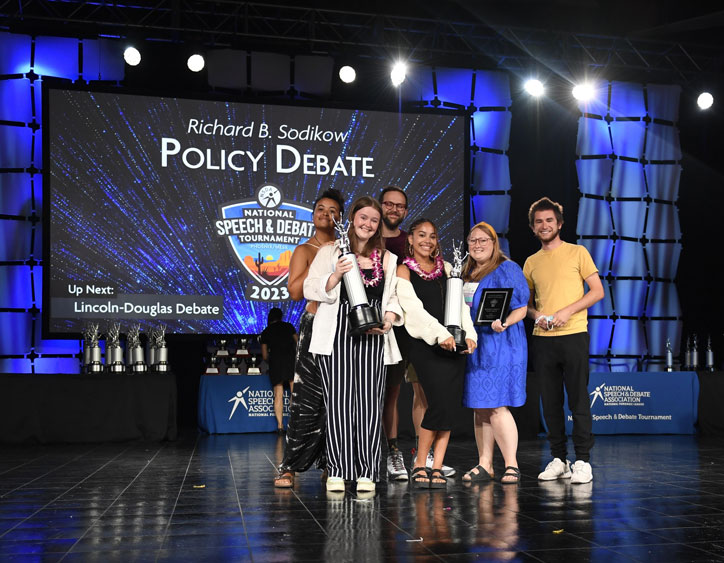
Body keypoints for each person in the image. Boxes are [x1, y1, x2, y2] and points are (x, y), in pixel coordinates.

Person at [304, 195, 402, 495]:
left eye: (374, 220)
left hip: (373, 337)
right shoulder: (330, 251)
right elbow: (310, 287)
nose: (368, 224)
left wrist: (388, 318)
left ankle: (367, 472)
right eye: (363, 218)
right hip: (337, 338)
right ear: (352, 219)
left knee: (370, 407)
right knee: (339, 406)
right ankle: (338, 469)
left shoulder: (387, 258)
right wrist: (335, 275)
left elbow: (393, 296)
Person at [523, 197, 604, 484]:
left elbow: (597, 291)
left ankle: (583, 460)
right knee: (551, 403)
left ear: (559, 224)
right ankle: (560, 458)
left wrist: (567, 310)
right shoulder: (531, 262)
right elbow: (526, 306)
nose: (544, 226)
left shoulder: (578, 252)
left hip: (573, 336)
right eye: (539, 222)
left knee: (579, 400)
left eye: (549, 220)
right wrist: (538, 316)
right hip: (543, 339)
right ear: (533, 228)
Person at [396, 218, 476, 488]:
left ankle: (438, 465)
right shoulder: (403, 270)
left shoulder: (449, 268)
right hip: (425, 345)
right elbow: (413, 310)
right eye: (421, 235)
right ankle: (420, 463)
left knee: (449, 407)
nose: (427, 241)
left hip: (453, 345)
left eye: (432, 236)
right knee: (436, 403)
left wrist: (470, 335)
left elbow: (461, 307)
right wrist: (439, 334)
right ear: (410, 239)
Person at [273, 188, 344, 488]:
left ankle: (332, 463)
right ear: (313, 214)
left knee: (336, 399)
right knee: (306, 398)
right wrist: (321, 265)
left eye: (332, 210)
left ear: (341, 216)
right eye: (320, 209)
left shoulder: (347, 247)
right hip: (315, 324)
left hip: (342, 326)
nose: (325, 214)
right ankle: (290, 466)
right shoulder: (304, 250)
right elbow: (294, 291)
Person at [460, 222, 528, 484]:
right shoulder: (466, 272)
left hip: (501, 344)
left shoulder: (506, 267)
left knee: (497, 404)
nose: (477, 245)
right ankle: (484, 464)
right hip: (475, 345)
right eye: (473, 240)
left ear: (494, 243)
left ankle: (511, 465)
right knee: (480, 407)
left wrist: (506, 322)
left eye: (483, 240)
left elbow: (521, 307)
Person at [378, 185, 411, 481]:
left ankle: (393, 452)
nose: (393, 209)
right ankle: (357, 452)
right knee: (359, 395)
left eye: (399, 206)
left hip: (398, 329)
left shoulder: (409, 243)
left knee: (391, 394)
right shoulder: (365, 238)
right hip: (362, 329)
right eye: (388, 204)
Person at [260, 307, 298, 433]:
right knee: (294, 392)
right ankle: (294, 425)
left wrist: (270, 360)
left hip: (276, 363)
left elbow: (265, 356)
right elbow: (298, 343)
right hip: (291, 360)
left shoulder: (266, 331)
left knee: (278, 395)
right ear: (281, 317)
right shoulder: (289, 326)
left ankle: (280, 426)